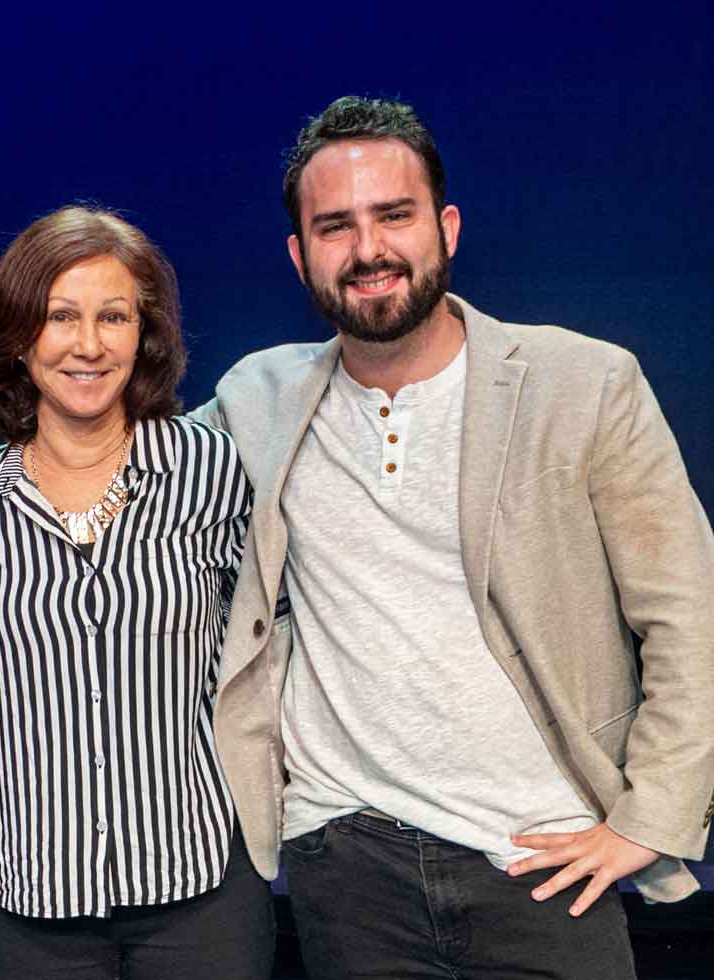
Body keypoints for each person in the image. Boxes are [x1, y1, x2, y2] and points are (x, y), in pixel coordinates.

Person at [194, 96, 714, 979]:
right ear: (298, 254)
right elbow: (114, 451)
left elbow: (688, 613)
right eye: (335, 226)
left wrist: (650, 818)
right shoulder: (260, 398)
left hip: (547, 861)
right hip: (347, 861)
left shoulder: (584, 383)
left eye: (393, 216)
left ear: (447, 227)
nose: (368, 250)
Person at [0, 205, 275, 980]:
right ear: (20, 334)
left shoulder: (214, 471)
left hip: (200, 889)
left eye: (114, 316)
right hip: (32, 903)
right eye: (60, 316)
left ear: (145, 333)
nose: (88, 344)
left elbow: (276, 640)